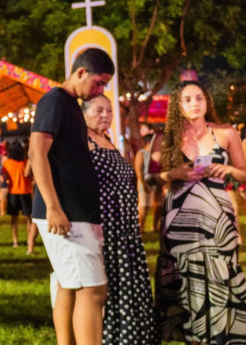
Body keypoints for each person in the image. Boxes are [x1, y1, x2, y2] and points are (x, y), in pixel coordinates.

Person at [29, 48, 114, 345]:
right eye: (99, 83)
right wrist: (53, 207)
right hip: (66, 212)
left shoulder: (70, 105)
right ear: (81, 72)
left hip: (77, 211)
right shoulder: (54, 102)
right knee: (93, 291)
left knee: (69, 284)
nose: (100, 91)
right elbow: (37, 153)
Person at [155, 80, 246, 343]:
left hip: (218, 219)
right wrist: (175, 173)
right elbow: (152, 178)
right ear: (177, 106)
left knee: (220, 276)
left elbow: (243, 176)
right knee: (184, 279)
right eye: (187, 100)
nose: (195, 104)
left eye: (199, 98)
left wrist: (228, 170)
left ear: (207, 101)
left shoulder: (226, 133)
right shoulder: (167, 137)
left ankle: (218, 336)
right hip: (178, 221)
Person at [82, 95, 157, 344]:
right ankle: (113, 337)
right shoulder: (84, 140)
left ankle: (133, 336)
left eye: (109, 110)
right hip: (106, 227)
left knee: (128, 283)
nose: (105, 115)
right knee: (111, 287)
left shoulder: (108, 140)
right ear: (83, 113)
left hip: (126, 227)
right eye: (98, 110)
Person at [2, 141, 36, 252]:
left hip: (13, 193)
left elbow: (4, 178)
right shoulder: (26, 162)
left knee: (14, 219)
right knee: (28, 218)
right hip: (25, 193)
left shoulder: (7, 164)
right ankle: (28, 240)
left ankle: (15, 241)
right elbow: (31, 176)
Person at [133, 132, 159, 233]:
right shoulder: (141, 153)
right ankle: (141, 227)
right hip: (143, 182)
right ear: (149, 141)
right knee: (143, 206)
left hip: (154, 181)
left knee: (154, 206)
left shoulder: (154, 154)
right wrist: (143, 184)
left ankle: (154, 226)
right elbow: (138, 170)